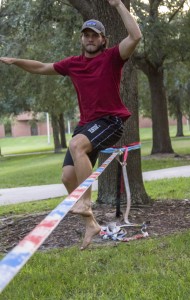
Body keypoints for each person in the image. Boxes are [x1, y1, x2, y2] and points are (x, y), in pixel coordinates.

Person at [0, 0, 142, 250]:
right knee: (67, 177)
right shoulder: (72, 64)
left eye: (94, 35)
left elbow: (136, 35)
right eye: (86, 35)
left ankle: (85, 202)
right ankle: (91, 224)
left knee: (77, 145)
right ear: (81, 39)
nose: (90, 39)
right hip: (87, 126)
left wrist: (119, 5)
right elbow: (42, 67)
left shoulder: (112, 58)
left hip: (111, 121)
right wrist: (15, 61)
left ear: (102, 40)